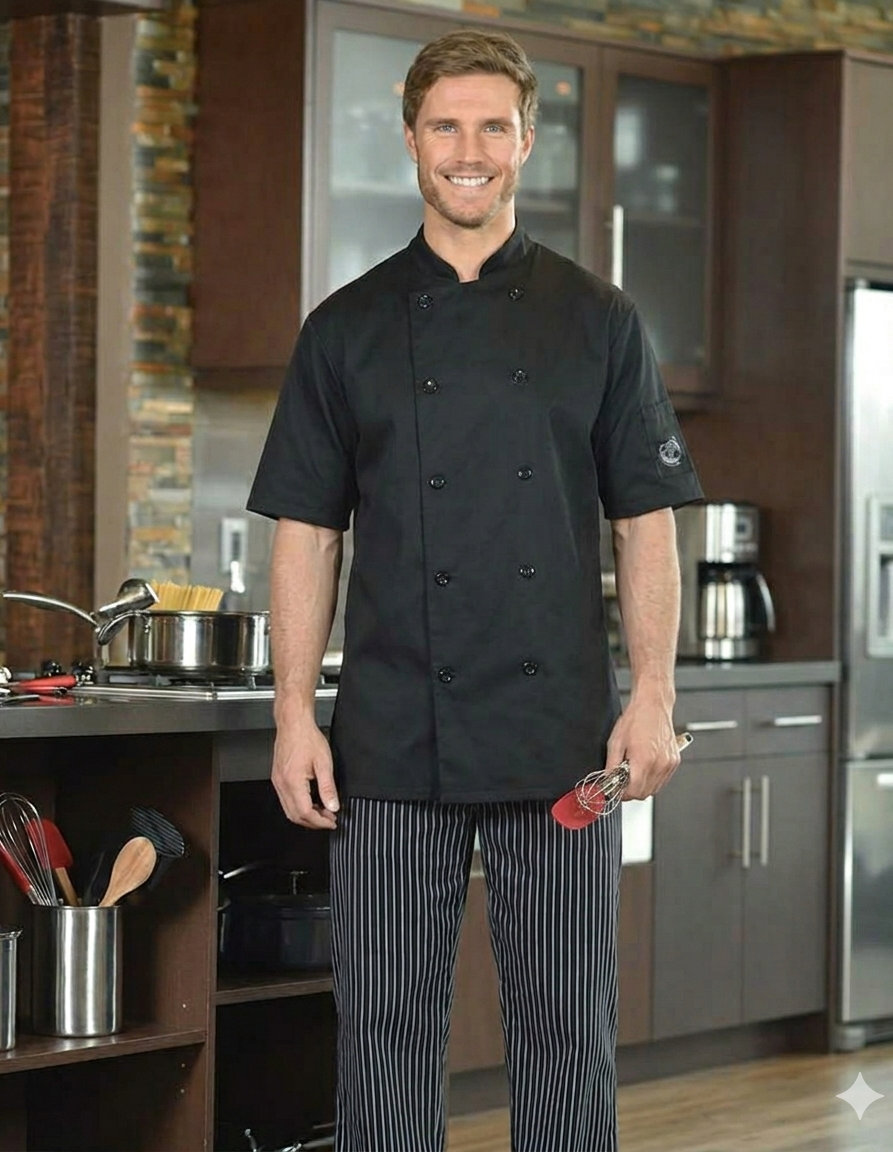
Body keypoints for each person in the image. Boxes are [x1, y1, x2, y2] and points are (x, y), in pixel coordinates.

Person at [247, 27, 703, 1152]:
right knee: (387, 1029)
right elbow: (306, 537)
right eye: (445, 125)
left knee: (564, 1032)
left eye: (491, 126)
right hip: (393, 738)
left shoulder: (600, 320)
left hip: (559, 739)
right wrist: (293, 713)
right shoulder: (344, 329)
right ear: (411, 139)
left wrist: (653, 694)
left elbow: (646, 521)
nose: (468, 150)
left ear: (525, 141)